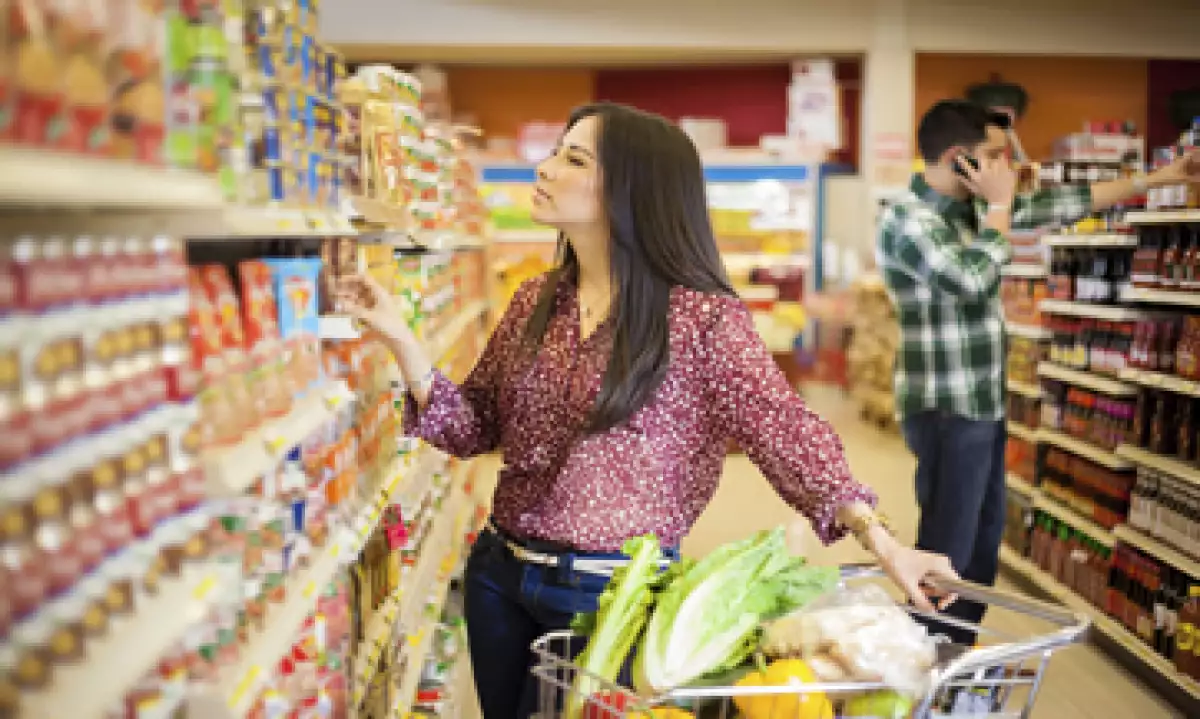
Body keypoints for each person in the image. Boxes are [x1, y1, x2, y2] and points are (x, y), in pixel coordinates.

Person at [339, 102, 958, 719]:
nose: (546, 168)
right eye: (556, 151)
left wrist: (881, 539)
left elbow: (783, 429)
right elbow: (473, 426)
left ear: (632, 190)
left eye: (573, 159)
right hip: (499, 577)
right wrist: (398, 334)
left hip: (606, 596)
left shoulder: (701, 319)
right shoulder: (535, 299)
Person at [876, 99, 1200, 644]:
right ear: (959, 160)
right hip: (946, 410)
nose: (1007, 167)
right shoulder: (908, 219)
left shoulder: (971, 208)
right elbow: (971, 279)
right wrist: (1001, 208)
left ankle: (954, 658)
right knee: (946, 549)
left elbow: (1065, 202)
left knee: (981, 544)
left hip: (983, 404)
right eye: (995, 156)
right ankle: (923, 667)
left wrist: (1161, 176)